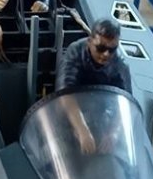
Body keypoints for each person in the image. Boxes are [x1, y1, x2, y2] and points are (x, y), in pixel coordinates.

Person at [55, 16, 133, 154]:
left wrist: (113, 132)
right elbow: (65, 93)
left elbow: (125, 102)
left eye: (112, 49)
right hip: (70, 113)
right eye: (101, 48)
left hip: (99, 115)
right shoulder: (75, 52)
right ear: (90, 42)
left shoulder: (120, 65)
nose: (106, 54)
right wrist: (82, 129)